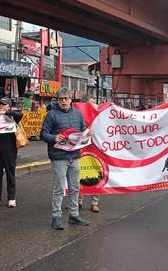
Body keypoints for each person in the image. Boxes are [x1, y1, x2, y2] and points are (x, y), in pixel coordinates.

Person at [40, 88, 90, 230]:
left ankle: (74, 215)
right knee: (59, 188)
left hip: (74, 156)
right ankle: (56, 217)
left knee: (75, 187)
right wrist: (53, 137)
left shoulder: (78, 114)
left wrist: (87, 132)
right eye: (61, 99)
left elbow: (83, 129)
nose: (63, 101)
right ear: (57, 100)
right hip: (59, 157)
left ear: (70, 100)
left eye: (66, 98)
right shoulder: (51, 115)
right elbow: (43, 133)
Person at [0, 97, 23, 208]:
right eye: (0, 104)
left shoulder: (12, 116)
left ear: (9, 106)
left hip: (10, 150)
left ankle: (11, 197)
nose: (1, 106)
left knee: (10, 173)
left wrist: (7, 112)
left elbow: (20, 115)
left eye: (4, 104)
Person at [78, 94, 100, 213]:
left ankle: (94, 203)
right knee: (80, 175)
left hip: (95, 150)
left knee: (96, 175)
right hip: (82, 149)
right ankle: (78, 201)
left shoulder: (98, 115)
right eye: (91, 103)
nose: (94, 105)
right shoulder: (77, 114)